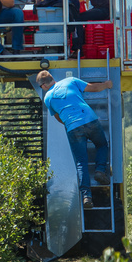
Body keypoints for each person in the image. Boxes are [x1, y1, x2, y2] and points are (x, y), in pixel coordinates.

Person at [36, 70, 112, 208]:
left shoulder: (48, 98)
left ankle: (86, 196)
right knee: (101, 145)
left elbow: (59, 117)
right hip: (89, 119)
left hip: (73, 127)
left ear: (43, 85)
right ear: (52, 79)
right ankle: (100, 170)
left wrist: (71, 122)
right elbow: (93, 88)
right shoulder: (70, 81)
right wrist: (106, 84)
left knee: (81, 162)